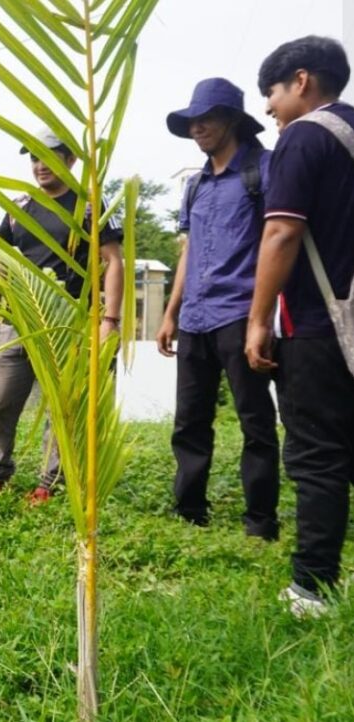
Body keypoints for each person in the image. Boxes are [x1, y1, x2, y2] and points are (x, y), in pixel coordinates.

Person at [246, 35, 354, 617]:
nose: (268, 107)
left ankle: (313, 588)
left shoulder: (303, 138)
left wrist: (258, 319)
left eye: (272, 91)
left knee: (317, 457)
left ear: (303, 81)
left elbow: (282, 232)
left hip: (320, 324)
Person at [157, 78, 280, 540]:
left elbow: (279, 239)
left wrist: (260, 319)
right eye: (192, 121)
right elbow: (188, 249)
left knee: (256, 421)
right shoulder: (195, 185)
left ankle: (261, 523)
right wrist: (171, 312)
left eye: (206, 118)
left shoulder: (263, 171)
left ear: (232, 119)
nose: (197, 127)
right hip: (194, 317)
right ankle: (189, 511)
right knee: (189, 419)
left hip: (240, 314)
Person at [0, 130, 124, 503]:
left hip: (70, 323)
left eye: (48, 157)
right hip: (22, 323)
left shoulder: (89, 206)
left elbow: (114, 261)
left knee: (62, 408)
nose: (40, 165)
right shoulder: (19, 206)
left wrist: (110, 322)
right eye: (34, 158)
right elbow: (0, 263)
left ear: (70, 160)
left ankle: (50, 483)